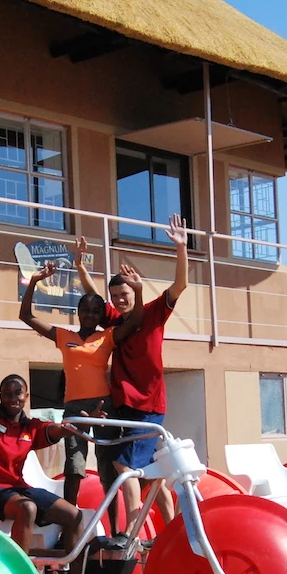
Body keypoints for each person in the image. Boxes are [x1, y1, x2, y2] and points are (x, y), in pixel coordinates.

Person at [0, 316, 103, 574]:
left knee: (75, 516)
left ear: (26, 397)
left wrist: (81, 424)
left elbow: (57, 430)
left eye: (17, 394)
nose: (12, 398)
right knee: (27, 508)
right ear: (0, 397)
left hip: (18, 489)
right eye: (7, 394)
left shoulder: (31, 427)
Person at [73, 214, 191, 529]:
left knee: (124, 466)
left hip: (149, 407)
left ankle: (132, 534)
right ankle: (171, 530)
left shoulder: (153, 312)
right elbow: (94, 299)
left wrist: (181, 248)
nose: (119, 300)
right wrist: (81, 267)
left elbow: (181, 285)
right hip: (125, 407)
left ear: (134, 289)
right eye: (115, 297)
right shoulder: (114, 319)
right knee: (153, 477)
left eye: (124, 295)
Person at [17, 262, 140, 505]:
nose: (91, 315)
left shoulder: (107, 335)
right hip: (74, 409)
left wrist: (137, 289)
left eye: (96, 311)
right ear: (78, 311)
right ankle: (70, 522)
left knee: (108, 469)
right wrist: (33, 282)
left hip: (104, 406)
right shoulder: (64, 336)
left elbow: (135, 322)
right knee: (74, 467)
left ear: (101, 315)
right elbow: (26, 316)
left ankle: (115, 531)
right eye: (86, 310)